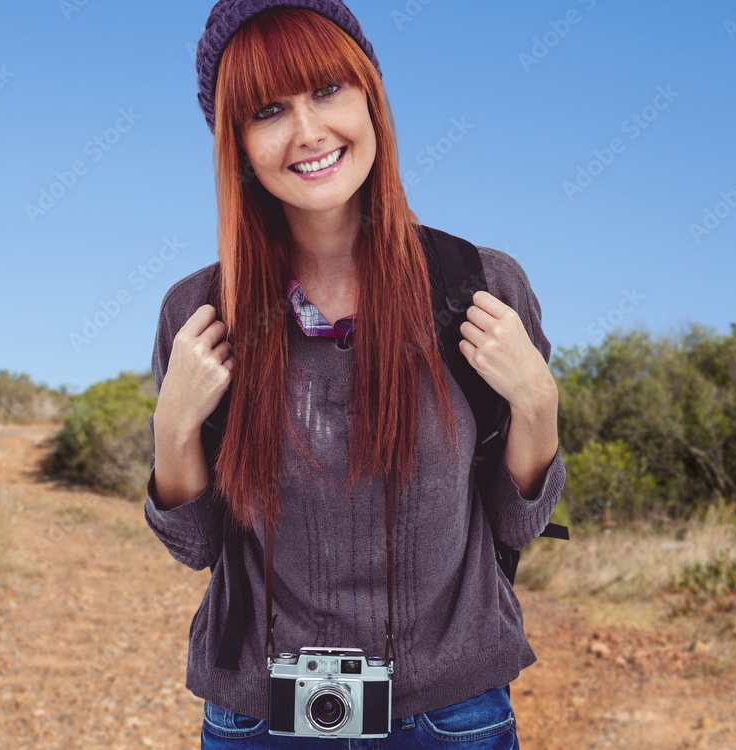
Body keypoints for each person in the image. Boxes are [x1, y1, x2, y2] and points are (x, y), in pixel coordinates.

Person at [143, 1, 566, 747]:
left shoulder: (483, 285)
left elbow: (515, 522)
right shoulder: (199, 312)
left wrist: (537, 403)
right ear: (236, 143)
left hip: (451, 715)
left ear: (371, 94)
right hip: (257, 718)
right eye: (269, 109)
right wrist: (174, 424)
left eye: (329, 91)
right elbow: (195, 546)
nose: (308, 132)